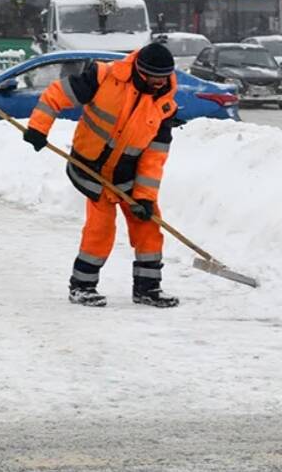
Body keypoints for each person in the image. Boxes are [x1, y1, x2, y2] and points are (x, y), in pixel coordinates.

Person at [23, 42, 180, 309]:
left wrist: (144, 197)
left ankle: (147, 288)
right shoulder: (104, 76)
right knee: (100, 230)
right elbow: (56, 94)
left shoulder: (164, 107)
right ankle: (82, 286)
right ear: (141, 71)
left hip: (129, 176)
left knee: (149, 226)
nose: (159, 82)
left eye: (163, 77)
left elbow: (154, 158)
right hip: (91, 169)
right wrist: (39, 127)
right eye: (154, 77)